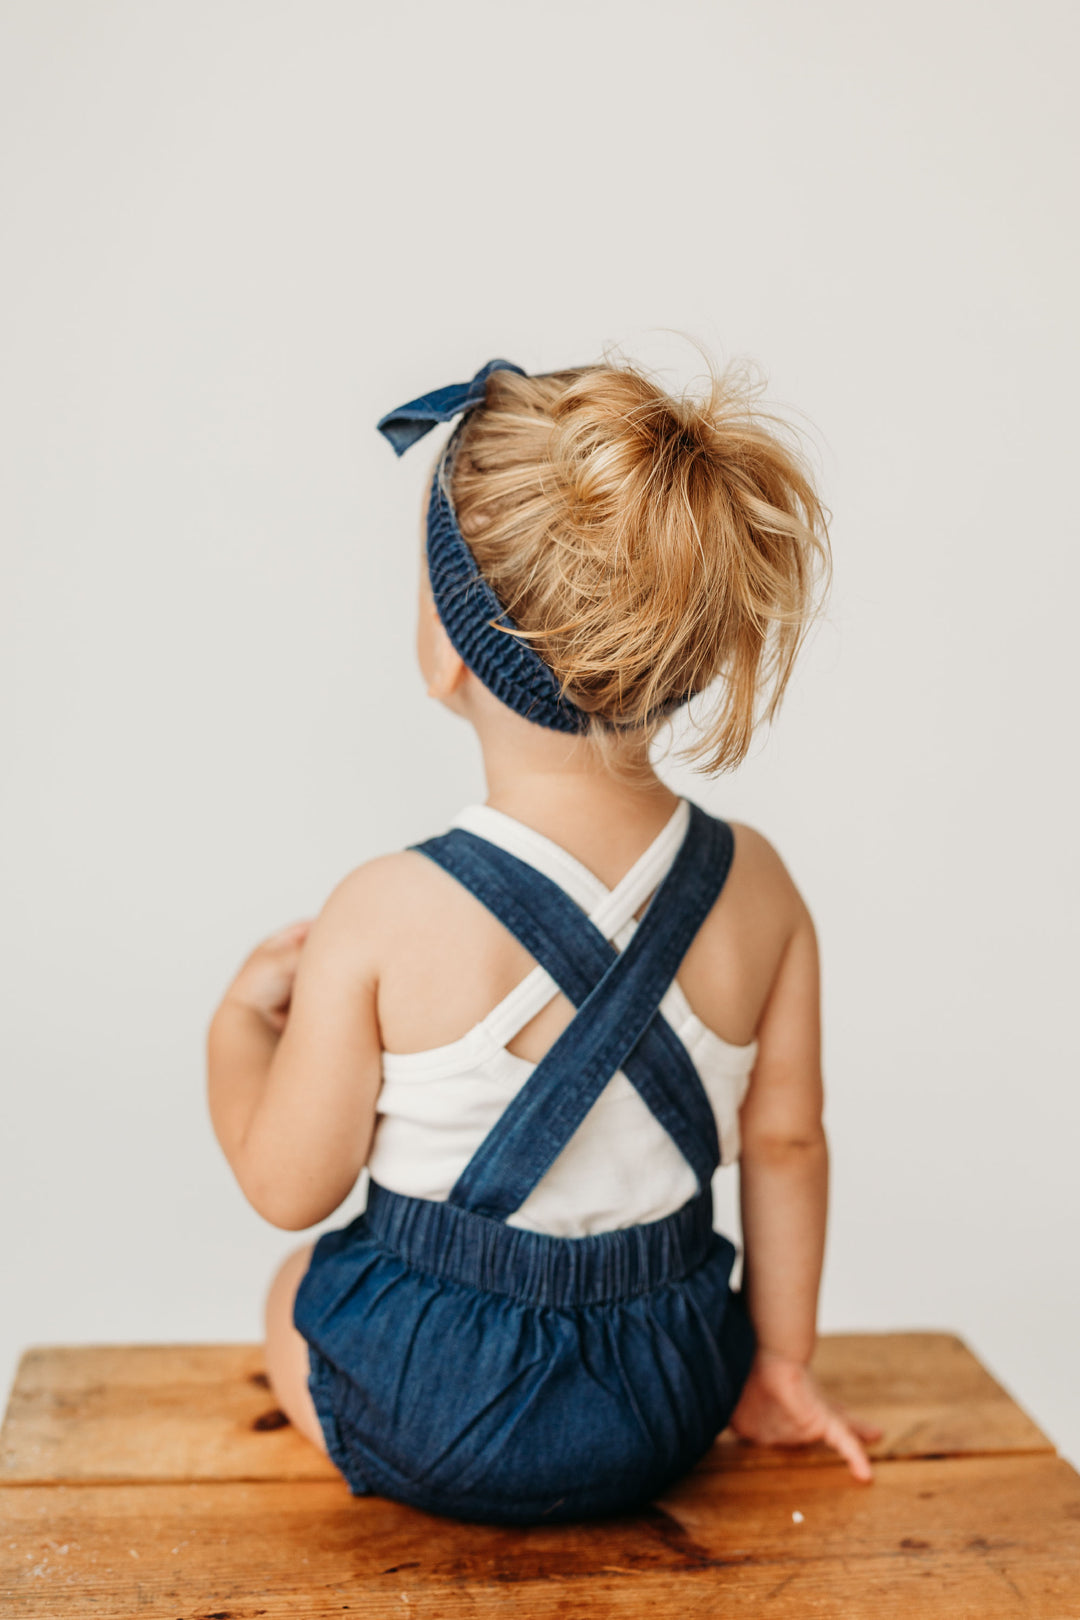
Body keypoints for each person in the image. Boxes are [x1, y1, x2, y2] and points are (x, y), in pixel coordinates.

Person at [206, 353, 883, 1525]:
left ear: (445, 652)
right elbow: (788, 1148)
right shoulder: (761, 886)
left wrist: (233, 1031)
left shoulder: (382, 911)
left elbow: (287, 1185)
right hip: (669, 1398)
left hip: (437, 1405)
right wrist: (776, 1367)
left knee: (287, 1290)